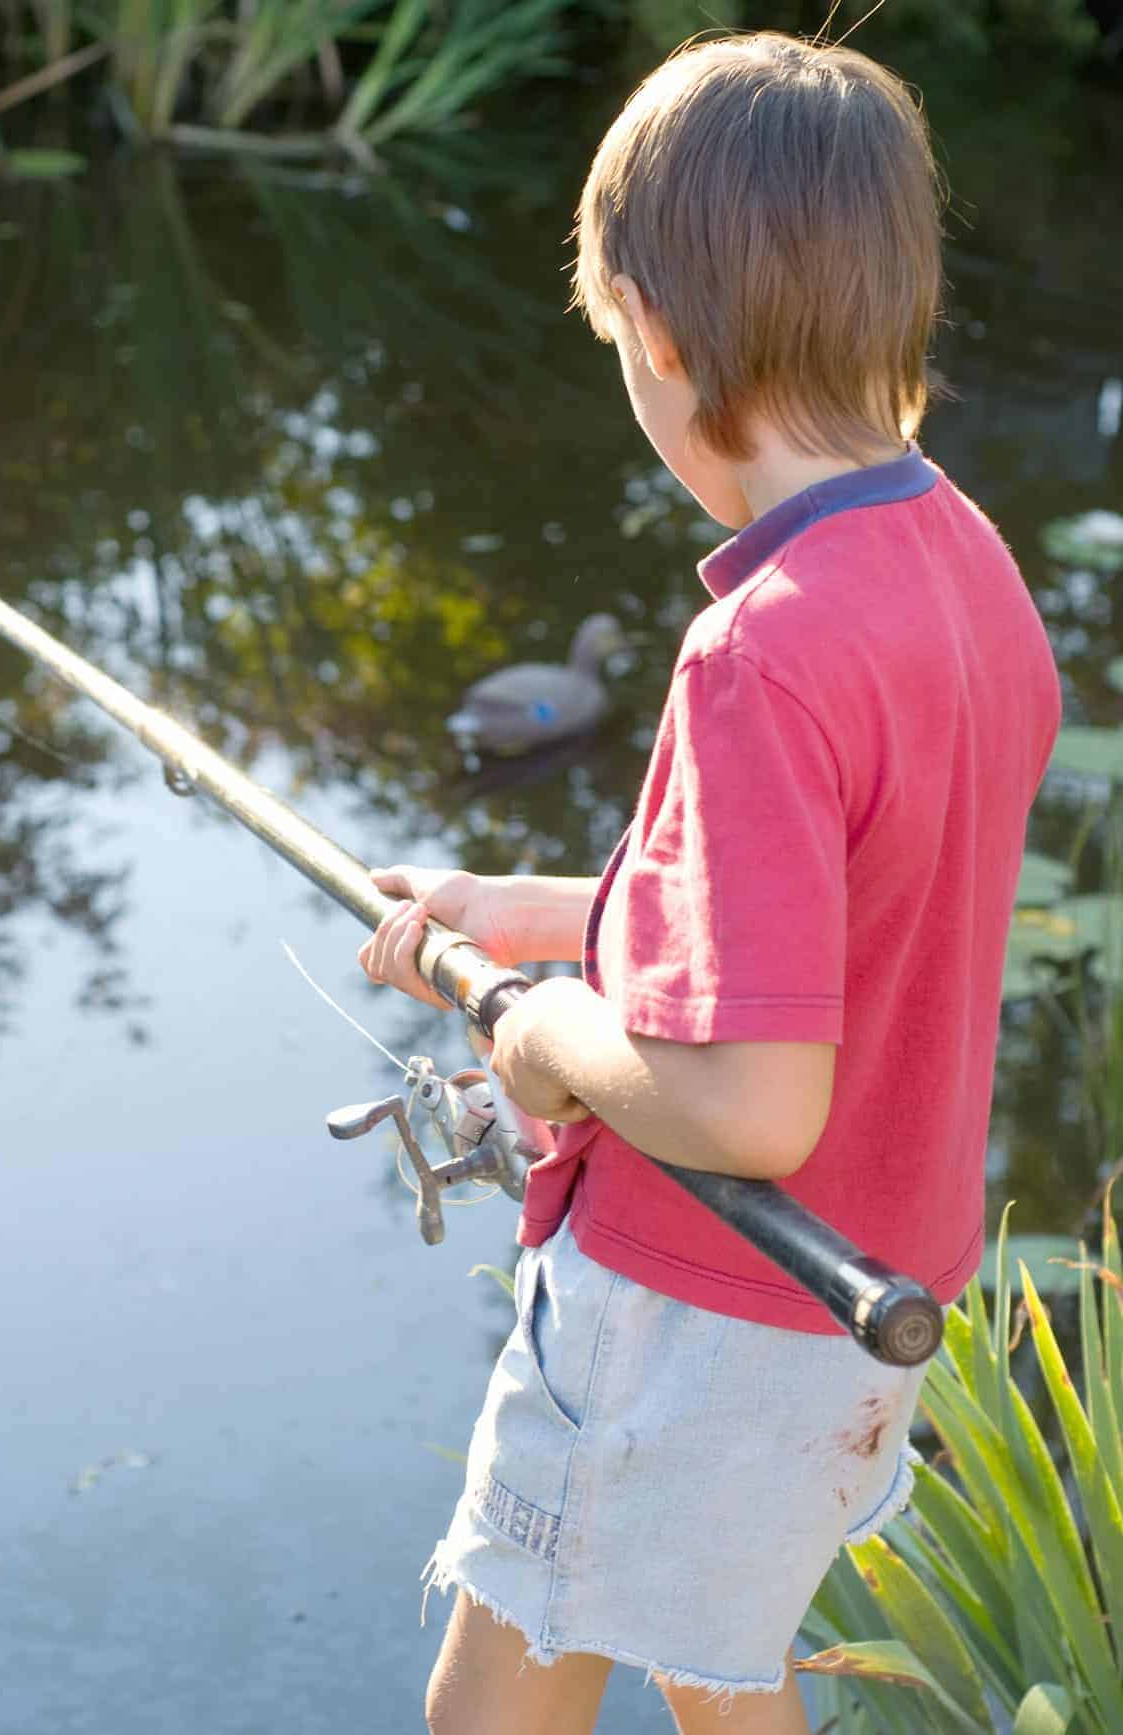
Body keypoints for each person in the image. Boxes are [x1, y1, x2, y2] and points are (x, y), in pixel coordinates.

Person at [357, 31, 1061, 1735]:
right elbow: (834, 908)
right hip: (852, 1306)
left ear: (656, 330)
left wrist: (547, 1038)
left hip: (689, 1304)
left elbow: (747, 1105)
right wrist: (560, 913)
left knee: (495, 1699)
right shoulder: (961, 562)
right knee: (727, 1658)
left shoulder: (759, 650)